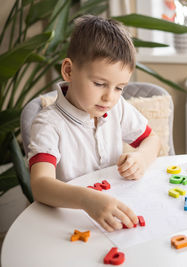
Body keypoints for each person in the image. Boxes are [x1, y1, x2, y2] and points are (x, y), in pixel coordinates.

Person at [28, 15, 161, 232]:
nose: (110, 97)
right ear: (69, 71)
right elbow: (41, 185)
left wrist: (141, 158)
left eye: (119, 88)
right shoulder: (48, 123)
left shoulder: (116, 108)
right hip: (70, 223)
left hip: (115, 216)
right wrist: (86, 200)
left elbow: (151, 139)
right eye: (99, 84)